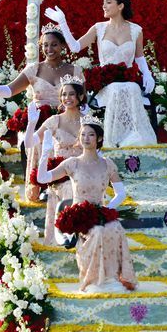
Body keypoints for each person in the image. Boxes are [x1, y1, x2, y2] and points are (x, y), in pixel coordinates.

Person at [0, 25, 85, 200]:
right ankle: (42, 186)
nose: (49, 49)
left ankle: (68, 185)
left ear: (62, 46)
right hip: (39, 120)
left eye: (53, 45)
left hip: (66, 118)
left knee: (65, 137)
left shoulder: (74, 70)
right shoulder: (34, 69)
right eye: (45, 45)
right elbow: (9, 90)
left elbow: (82, 99)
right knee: (40, 139)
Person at [36, 113, 137, 292]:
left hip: (99, 212)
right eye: (83, 134)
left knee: (115, 228)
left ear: (98, 138)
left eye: (90, 135)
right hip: (79, 216)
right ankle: (94, 280)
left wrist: (107, 209)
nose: (86, 138)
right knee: (97, 231)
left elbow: (120, 192)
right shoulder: (72, 163)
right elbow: (43, 178)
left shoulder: (108, 164)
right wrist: (45, 153)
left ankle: (112, 278)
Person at [45, 0, 158, 148]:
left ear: (121, 6)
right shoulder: (99, 28)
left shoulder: (136, 30)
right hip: (105, 83)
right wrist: (62, 22)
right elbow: (75, 47)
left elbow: (139, 57)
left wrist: (147, 74)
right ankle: (112, 139)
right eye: (103, 2)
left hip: (128, 79)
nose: (103, 6)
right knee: (117, 89)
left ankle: (133, 136)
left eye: (108, 2)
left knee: (131, 88)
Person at [31, 75, 86, 245]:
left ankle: (85, 237)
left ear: (80, 97)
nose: (67, 98)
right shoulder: (54, 121)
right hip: (60, 175)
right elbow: (32, 142)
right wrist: (30, 124)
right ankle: (68, 235)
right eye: (64, 94)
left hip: (83, 171)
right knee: (69, 187)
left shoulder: (87, 121)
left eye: (71, 94)